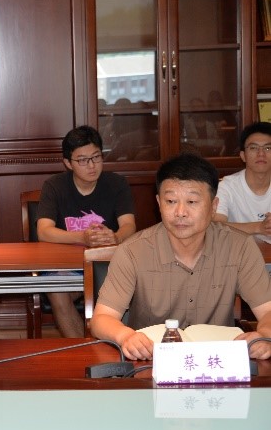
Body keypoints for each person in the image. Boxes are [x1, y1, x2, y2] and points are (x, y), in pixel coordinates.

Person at [91, 153, 271, 361]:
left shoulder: (240, 247)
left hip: (218, 363)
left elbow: (267, 311)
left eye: (192, 201)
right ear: (158, 203)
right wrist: (126, 336)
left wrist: (264, 335)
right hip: (150, 361)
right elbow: (101, 319)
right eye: (170, 201)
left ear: (214, 206)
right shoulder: (132, 251)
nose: (180, 212)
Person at [35, 125, 137, 337]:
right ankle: (85, 350)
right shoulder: (54, 186)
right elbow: (44, 231)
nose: (91, 166)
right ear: (68, 163)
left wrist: (115, 236)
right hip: (67, 266)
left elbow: (129, 225)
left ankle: (95, 347)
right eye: (82, 160)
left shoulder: (117, 184)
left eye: (96, 157)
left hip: (107, 264)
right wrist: (82, 237)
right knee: (56, 290)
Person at [213, 121, 271, 242]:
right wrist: (259, 227)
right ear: (243, 155)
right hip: (237, 253)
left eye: (268, 148)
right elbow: (215, 226)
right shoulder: (226, 187)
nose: (261, 154)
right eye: (254, 148)